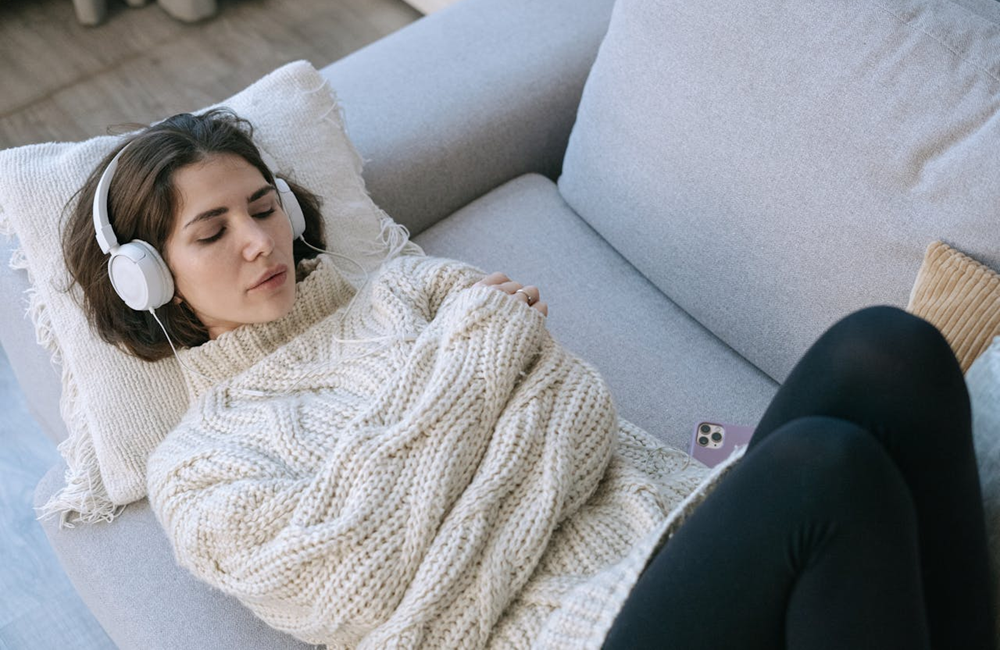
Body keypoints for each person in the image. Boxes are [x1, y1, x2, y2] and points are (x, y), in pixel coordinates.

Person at [61, 109, 994, 649]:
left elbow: (583, 411)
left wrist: (445, 514)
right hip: (577, 634)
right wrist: (480, 366)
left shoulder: (412, 292)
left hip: (681, 526)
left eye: (262, 207)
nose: (258, 242)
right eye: (212, 232)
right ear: (150, 276)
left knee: (888, 350)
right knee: (825, 466)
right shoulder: (198, 468)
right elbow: (375, 592)